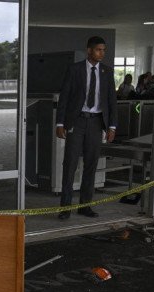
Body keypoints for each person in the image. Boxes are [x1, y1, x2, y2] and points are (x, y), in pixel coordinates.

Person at [55, 36, 118, 220]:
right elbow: (64, 97)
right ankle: (65, 208)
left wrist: (112, 126)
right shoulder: (75, 70)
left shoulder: (107, 72)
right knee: (70, 165)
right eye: (99, 49)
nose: (102, 53)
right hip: (77, 122)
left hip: (97, 123)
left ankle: (85, 207)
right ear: (89, 50)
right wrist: (60, 123)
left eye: (104, 50)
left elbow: (111, 101)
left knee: (91, 165)